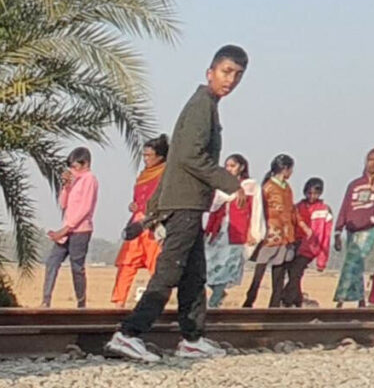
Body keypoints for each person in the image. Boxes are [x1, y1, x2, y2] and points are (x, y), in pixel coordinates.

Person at [108, 47, 247, 363]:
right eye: (227, 72)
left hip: (189, 203)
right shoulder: (201, 107)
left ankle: (192, 338)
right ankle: (129, 334)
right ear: (210, 71)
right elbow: (187, 158)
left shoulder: (207, 105)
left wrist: (153, 210)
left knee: (194, 274)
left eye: (238, 75)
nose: (231, 80)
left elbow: (174, 162)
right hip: (185, 204)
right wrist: (229, 182)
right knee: (170, 271)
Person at [110, 136, 168, 308]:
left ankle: (155, 303)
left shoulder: (166, 174)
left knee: (156, 265)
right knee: (127, 262)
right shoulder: (143, 175)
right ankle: (119, 301)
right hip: (137, 224)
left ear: (160, 157)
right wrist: (133, 205)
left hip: (154, 224)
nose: (145, 159)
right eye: (144, 155)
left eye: (149, 156)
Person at [331, 148, 374, 308]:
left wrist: (373, 219)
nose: (373, 163)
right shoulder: (355, 184)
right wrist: (338, 231)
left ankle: (341, 299)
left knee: (354, 260)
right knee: (356, 263)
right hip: (352, 228)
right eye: (370, 159)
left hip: (370, 228)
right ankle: (360, 301)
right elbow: (345, 207)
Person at [42, 147, 98, 308]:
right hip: (67, 230)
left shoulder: (89, 179)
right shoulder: (75, 181)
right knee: (52, 262)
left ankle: (81, 302)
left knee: (77, 267)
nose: (73, 170)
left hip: (80, 231)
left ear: (85, 163)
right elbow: (63, 204)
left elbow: (85, 209)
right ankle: (46, 299)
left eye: (75, 166)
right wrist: (66, 187)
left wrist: (66, 229)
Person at [243, 156, 298, 308]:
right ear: (285, 169)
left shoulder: (286, 187)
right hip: (270, 234)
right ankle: (249, 300)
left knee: (279, 272)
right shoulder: (268, 187)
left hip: (285, 235)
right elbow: (259, 211)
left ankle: (274, 305)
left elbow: (291, 210)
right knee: (259, 272)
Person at [204, 155, 254, 309]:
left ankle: (215, 298)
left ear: (241, 167)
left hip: (237, 232)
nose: (229, 169)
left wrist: (252, 232)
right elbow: (213, 208)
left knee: (228, 266)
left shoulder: (248, 186)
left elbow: (254, 210)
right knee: (209, 265)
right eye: (227, 166)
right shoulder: (220, 187)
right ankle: (217, 292)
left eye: (233, 166)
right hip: (219, 229)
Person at [296, 178, 334, 303]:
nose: (312, 196)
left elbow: (326, 237)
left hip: (310, 249)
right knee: (295, 275)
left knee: (295, 273)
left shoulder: (324, 210)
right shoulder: (297, 208)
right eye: (309, 193)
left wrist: (321, 261)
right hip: (295, 246)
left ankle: (290, 300)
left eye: (315, 194)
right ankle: (294, 301)